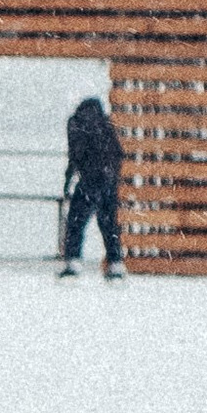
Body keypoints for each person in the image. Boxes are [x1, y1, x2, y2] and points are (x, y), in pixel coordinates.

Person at [58, 93, 124, 277]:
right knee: (108, 224)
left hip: (88, 180)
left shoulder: (77, 123)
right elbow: (118, 153)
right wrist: (112, 177)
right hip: (108, 180)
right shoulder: (106, 123)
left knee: (75, 223)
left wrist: (68, 180)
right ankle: (115, 264)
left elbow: (75, 155)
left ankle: (73, 262)